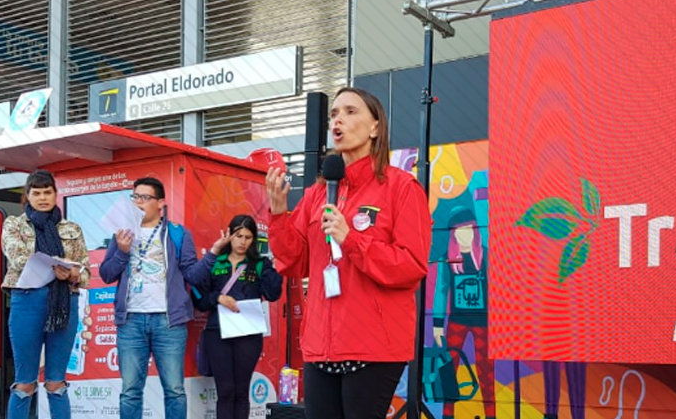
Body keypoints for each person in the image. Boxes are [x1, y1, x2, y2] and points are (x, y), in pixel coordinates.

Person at [266, 87, 432, 419]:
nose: (338, 120)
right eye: (334, 114)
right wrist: (278, 213)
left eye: (350, 112)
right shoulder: (317, 193)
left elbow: (411, 265)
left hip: (374, 345)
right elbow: (294, 262)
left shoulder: (401, 188)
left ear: (375, 127)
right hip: (320, 346)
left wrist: (352, 240)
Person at [99, 176, 213, 419]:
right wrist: (121, 251)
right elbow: (106, 274)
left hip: (168, 322)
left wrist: (213, 254)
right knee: (130, 390)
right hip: (131, 321)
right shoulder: (121, 233)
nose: (138, 202)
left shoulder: (178, 234)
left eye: (145, 197)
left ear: (160, 202)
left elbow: (192, 274)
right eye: (135, 197)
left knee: (174, 389)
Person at [0, 170, 91, 419]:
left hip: (64, 304)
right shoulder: (14, 224)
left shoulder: (72, 228)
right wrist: (56, 268)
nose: (42, 198)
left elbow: (85, 271)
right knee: (25, 382)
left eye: (47, 192)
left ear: (55, 195)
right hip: (27, 301)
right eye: (36, 193)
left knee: (56, 382)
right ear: (27, 196)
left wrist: (71, 275)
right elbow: (18, 258)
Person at [191, 214, 284, 419]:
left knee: (241, 391)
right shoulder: (216, 261)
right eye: (238, 235)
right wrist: (218, 298)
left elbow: (273, 294)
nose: (242, 242)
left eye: (248, 237)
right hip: (218, 333)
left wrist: (276, 269)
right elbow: (198, 296)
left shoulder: (260, 264)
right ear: (229, 234)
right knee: (225, 392)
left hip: (248, 333)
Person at [432, 205, 495, 419]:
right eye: (459, 230)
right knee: (449, 369)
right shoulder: (448, 259)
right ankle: (447, 415)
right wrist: (437, 325)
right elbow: (441, 290)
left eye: (468, 229)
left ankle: (491, 414)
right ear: (452, 233)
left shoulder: (485, 255)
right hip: (457, 320)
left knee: (486, 371)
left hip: (484, 322)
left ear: (475, 230)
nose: (464, 235)